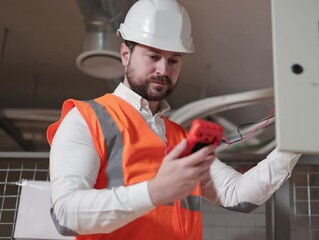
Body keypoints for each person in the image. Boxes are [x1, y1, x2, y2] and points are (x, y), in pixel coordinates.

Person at [47, 0, 301, 239]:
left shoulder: (181, 137)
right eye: (153, 56)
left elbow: (237, 195)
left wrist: (298, 138)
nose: (163, 70)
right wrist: (154, 191)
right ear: (125, 54)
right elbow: (65, 214)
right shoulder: (85, 119)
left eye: (173, 60)